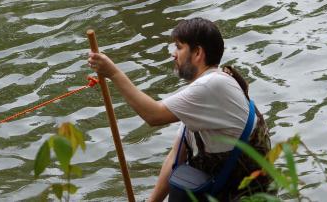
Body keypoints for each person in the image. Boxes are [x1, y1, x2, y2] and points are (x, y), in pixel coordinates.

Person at [87, 18, 272, 201]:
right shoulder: (201, 94)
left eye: (179, 47)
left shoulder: (212, 85)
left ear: (198, 52)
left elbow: (153, 115)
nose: (173, 54)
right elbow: (175, 158)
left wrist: (114, 73)